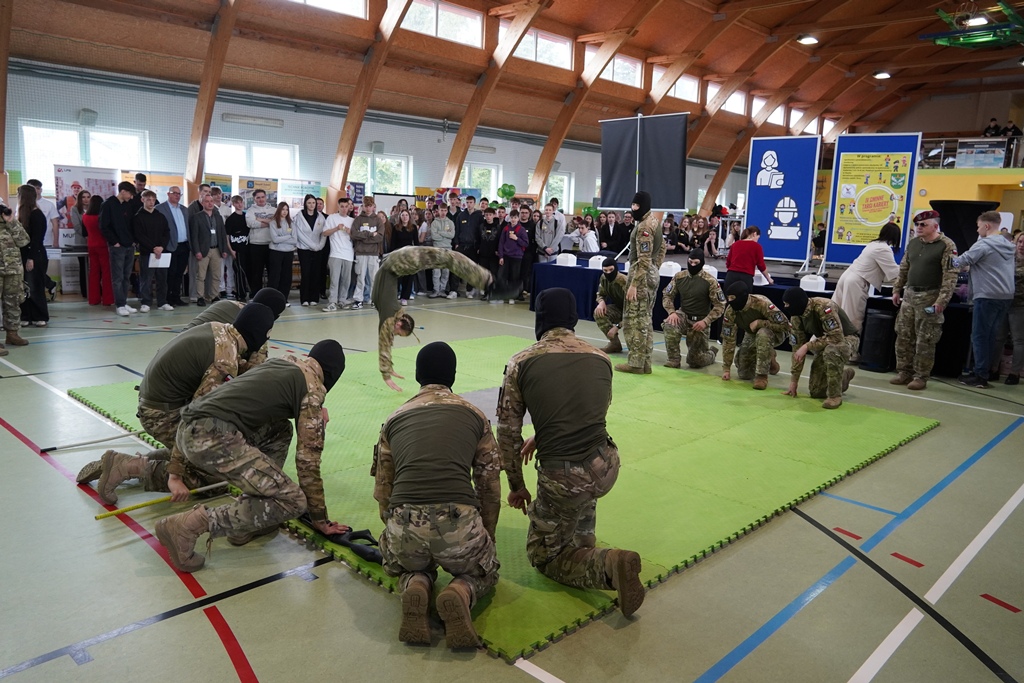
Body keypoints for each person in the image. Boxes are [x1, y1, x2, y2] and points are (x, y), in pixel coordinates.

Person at [496, 288, 645, 618]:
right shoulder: (601, 358)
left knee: (543, 556)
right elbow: (588, 413)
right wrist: (543, 434)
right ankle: (582, 538)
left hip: (565, 478)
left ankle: (609, 565)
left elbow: (507, 435)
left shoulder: (521, 362)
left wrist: (517, 486)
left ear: (540, 318)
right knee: (581, 479)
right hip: (606, 466)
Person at [154, 340, 350, 572]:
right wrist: (319, 519)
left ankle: (246, 521)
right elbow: (308, 462)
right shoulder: (312, 390)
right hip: (211, 437)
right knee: (294, 501)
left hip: (188, 428)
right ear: (332, 375)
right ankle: (189, 525)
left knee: (280, 430)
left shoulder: (284, 363)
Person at [77, 304, 276, 505]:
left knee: (212, 450)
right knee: (216, 477)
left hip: (159, 404)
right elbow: (196, 418)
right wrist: (175, 475)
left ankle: (128, 462)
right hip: (163, 416)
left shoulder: (219, 329)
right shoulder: (225, 361)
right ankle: (130, 467)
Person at [373, 342, 501, 647]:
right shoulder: (475, 415)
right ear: (452, 376)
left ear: (418, 375)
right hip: (458, 527)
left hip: (405, 526)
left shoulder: (393, 418)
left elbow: (383, 492)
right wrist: (486, 537)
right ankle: (461, 591)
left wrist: (395, 531)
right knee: (486, 570)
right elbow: (489, 487)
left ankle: (415, 582)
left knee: (406, 563)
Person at [373, 246, 495, 392]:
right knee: (448, 258)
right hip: (396, 261)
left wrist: (386, 372)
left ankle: (489, 282)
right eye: (398, 334)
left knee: (449, 258)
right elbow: (386, 340)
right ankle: (488, 282)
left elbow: (385, 341)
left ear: (398, 323)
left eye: (397, 334)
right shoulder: (390, 314)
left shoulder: (389, 315)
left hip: (397, 261)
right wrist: (386, 371)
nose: (394, 334)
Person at [891, 210, 959, 391]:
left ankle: (920, 376)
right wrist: (897, 289)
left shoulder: (946, 245)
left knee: (925, 339)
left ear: (935, 226)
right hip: (909, 296)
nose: (919, 227)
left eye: (923, 225)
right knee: (903, 336)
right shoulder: (913, 243)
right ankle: (904, 371)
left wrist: (941, 301)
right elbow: (904, 268)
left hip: (930, 297)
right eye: (917, 224)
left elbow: (950, 276)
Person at [952, 210, 1016, 388]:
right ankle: (984, 371)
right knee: (991, 336)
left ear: (986, 226)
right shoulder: (1008, 245)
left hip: (987, 295)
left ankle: (980, 375)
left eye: (978, 226)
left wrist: (947, 259)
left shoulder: (983, 244)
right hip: (1005, 295)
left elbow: (961, 261)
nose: (977, 230)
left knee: (979, 336)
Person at [780, 288, 859, 409]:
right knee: (816, 391)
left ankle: (834, 396)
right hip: (826, 341)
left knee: (831, 351)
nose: (785, 307)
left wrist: (807, 346)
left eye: (787, 304)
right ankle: (844, 376)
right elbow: (797, 350)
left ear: (797, 302)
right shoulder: (796, 317)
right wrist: (794, 381)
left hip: (846, 339)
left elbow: (836, 337)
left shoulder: (824, 306)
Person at [616, 191, 663, 374]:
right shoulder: (654, 221)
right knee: (645, 320)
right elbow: (662, 248)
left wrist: (634, 284)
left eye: (636, 205)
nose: (633, 208)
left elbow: (643, 259)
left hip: (640, 276)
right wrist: (655, 268)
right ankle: (645, 363)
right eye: (632, 205)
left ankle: (635, 363)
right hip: (649, 273)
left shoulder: (645, 227)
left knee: (634, 321)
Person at [832, 222, 901, 337]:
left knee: (834, 314)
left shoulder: (873, 244)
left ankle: (818, 343)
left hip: (846, 277)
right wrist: (909, 270)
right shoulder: (884, 249)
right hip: (856, 282)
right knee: (852, 318)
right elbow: (894, 272)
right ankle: (850, 347)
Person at [661, 249, 725, 369]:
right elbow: (667, 295)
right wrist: (672, 312)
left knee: (695, 361)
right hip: (683, 315)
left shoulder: (710, 281)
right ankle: (674, 359)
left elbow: (720, 305)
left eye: (696, 263)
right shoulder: (679, 277)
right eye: (690, 262)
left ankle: (711, 353)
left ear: (702, 263)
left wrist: (706, 321)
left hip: (701, 320)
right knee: (669, 324)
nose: (692, 265)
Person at [720, 282, 788, 390]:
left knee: (762, 334)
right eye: (728, 298)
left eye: (732, 298)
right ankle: (769, 357)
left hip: (774, 333)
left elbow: (785, 325)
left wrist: (760, 323)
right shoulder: (730, 311)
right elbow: (728, 339)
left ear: (742, 296)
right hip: (752, 334)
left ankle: (762, 376)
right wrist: (726, 369)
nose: (730, 301)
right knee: (744, 374)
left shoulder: (762, 303)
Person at [100, 181, 137, 316]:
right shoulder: (108, 204)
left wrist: (133, 241)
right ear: (123, 191)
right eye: (129, 194)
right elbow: (103, 226)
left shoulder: (128, 205)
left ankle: (124, 301)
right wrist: (114, 242)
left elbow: (132, 224)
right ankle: (119, 305)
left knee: (127, 276)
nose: (131, 197)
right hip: (117, 246)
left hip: (129, 245)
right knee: (118, 277)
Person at [132, 190, 171, 313]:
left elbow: (166, 233)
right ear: (142, 200)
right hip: (147, 253)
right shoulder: (138, 217)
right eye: (148, 199)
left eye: (153, 200)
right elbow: (139, 235)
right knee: (146, 279)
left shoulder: (160, 216)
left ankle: (162, 302)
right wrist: (153, 248)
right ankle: (146, 302)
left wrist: (161, 247)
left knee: (162, 279)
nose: (151, 202)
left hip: (161, 253)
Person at [17, 185, 50, 327]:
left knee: (35, 287)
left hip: (35, 255)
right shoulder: (22, 215)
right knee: (24, 287)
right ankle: (26, 315)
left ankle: (39, 315)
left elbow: (37, 239)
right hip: (24, 254)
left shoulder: (37, 215)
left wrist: (31, 258)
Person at [189, 193, 230, 307]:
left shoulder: (218, 217)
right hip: (203, 251)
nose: (210, 203)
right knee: (201, 276)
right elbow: (194, 236)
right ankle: (200, 297)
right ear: (202, 203)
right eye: (207, 201)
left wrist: (224, 249)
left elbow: (222, 234)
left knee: (216, 275)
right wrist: (197, 251)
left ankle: (214, 295)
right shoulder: (197, 217)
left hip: (217, 249)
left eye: (211, 201)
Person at [0, 204, 30, 352]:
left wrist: (11, 221)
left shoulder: (10, 223)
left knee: (13, 302)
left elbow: (24, 241)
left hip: (13, 271)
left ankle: (12, 334)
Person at [157, 186, 192, 307]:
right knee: (170, 273)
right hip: (169, 246)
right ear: (168, 194)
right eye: (174, 193)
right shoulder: (160, 209)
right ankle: (167, 298)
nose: (177, 195)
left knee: (179, 273)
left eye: (179, 194)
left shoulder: (184, 209)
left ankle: (176, 297)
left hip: (184, 245)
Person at [322, 196, 355, 312]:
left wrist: (350, 232)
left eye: (346, 206)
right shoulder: (332, 218)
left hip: (348, 254)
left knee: (346, 280)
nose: (344, 209)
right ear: (338, 207)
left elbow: (356, 237)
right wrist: (336, 228)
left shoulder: (352, 221)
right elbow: (325, 233)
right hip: (335, 254)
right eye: (342, 206)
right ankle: (332, 302)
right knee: (334, 279)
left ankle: (342, 300)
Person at [351, 198, 384, 309]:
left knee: (374, 278)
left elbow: (379, 237)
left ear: (374, 206)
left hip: (373, 254)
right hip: (360, 253)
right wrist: (369, 234)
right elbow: (354, 234)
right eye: (366, 206)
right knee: (360, 278)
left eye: (370, 206)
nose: (368, 208)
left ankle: (374, 299)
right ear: (363, 206)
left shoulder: (378, 220)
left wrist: (363, 237)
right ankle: (358, 300)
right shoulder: (358, 219)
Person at [295, 194, 326, 307]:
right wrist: (312, 245)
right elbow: (299, 234)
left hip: (318, 249)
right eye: (309, 203)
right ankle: (305, 298)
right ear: (305, 204)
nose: (312, 205)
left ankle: (314, 298)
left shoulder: (321, 217)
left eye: (314, 203)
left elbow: (324, 233)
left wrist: (320, 246)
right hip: (304, 249)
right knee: (306, 273)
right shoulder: (299, 216)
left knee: (316, 274)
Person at [83, 195, 115, 307]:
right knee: (106, 273)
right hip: (103, 246)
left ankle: (93, 299)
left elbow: (84, 233)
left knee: (93, 273)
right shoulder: (101, 217)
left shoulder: (85, 217)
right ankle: (107, 299)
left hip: (91, 246)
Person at [724, 226, 773, 295]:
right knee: (744, 299)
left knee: (728, 298)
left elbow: (728, 262)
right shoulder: (757, 247)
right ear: (754, 234)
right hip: (745, 278)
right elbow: (761, 265)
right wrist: (768, 279)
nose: (757, 240)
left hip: (731, 276)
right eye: (758, 238)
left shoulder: (735, 244)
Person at [594, 257, 627, 354]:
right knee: (599, 313)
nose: (608, 273)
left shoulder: (624, 281)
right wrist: (601, 302)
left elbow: (633, 309)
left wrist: (617, 327)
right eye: (605, 270)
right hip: (620, 308)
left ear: (616, 268)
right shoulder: (604, 278)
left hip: (635, 313)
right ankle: (615, 344)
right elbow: (600, 294)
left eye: (611, 270)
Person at [1004, 232, 1024, 385]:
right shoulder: (1008, 259)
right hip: (1003, 302)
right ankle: (993, 369)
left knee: (1018, 340)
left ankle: (1014, 372)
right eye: (1020, 242)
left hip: (1020, 305)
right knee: (998, 338)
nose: (1022, 245)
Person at [246, 189, 275, 293]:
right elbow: (251, 223)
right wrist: (269, 222)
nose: (261, 199)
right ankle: (255, 294)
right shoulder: (250, 210)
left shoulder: (274, 210)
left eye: (262, 197)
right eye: (258, 197)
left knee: (272, 272)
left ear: (266, 197)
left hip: (271, 245)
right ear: (254, 199)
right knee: (256, 272)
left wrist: (260, 219)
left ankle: (270, 294)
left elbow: (276, 223)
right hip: (256, 245)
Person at [268, 201, 296, 303]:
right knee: (275, 276)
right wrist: (288, 236)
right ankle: (272, 298)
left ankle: (284, 299)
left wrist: (282, 238)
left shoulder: (291, 223)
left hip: (288, 252)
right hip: (276, 252)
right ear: (279, 210)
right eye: (283, 209)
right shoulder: (273, 223)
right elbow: (274, 239)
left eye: (287, 210)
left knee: (286, 276)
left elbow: (294, 240)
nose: (285, 212)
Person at [390, 209, 420, 305]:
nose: (405, 217)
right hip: (398, 255)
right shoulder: (396, 228)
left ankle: (404, 297)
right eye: (403, 215)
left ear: (409, 217)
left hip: (409, 255)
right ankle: (394, 296)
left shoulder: (413, 228)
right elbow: (393, 243)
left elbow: (416, 242)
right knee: (398, 277)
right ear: (400, 217)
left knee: (408, 277)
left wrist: (416, 255)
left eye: (406, 215)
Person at [498, 210, 528, 304]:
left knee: (514, 277)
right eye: (512, 218)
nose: (513, 220)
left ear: (518, 218)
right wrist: (501, 256)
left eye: (515, 218)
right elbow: (501, 242)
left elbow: (526, 243)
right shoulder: (506, 228)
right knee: (503, 276)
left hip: (517, 257)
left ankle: (512, 296)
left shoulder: (521, 229)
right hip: (506, 256)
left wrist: (517, 238)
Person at [224, 195, 249, 301]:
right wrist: (231, 250)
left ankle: (246, 291)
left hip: (246, 248)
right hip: (236, 249)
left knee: (246, 271)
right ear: (233, 204)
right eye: (237, 203)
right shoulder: (231, 219)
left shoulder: (246, 217)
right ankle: (240, 294)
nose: (239, 205)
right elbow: (227, 237)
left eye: (241, 202)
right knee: (239, 271)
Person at [429, 202, 455, 299]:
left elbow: (451, 235)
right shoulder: (434, 223)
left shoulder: (450, 223)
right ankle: (436, 290)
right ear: (438, 211)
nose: (443, 212)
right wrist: (445, 234)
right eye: (441, 210)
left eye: (445, 210)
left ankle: (442, 290)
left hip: (448, 249)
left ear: (447, 211)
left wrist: (440, 233)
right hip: (437, 249)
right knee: (436, 271)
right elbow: (434, 237)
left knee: (445, 271)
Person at [69, 189, 91, 299]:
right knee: (83, 267)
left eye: (88, 197)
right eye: (83, 197)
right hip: (81, 241)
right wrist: (87, 235)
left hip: (94, 241)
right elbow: (77, 226)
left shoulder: (94, 209)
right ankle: (85, 291)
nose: (86, 199)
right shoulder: (75, 209)